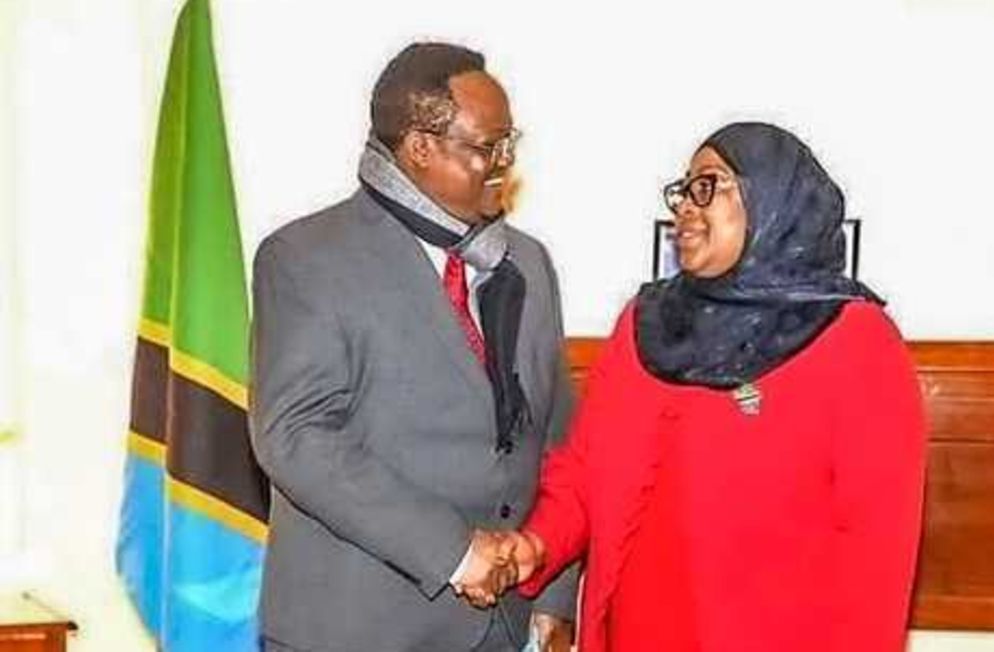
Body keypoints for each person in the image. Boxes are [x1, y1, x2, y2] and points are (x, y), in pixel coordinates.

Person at [505, 122, 927, 651]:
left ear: (771, 199)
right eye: (684, 190)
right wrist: (534, 545)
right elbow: (585, 475)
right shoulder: (644, 325)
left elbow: (877, 565)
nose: (685, 206)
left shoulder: (857, 343)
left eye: (708, 185)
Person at [249, 42, 576, 652]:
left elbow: (558, 441)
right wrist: (455, 552)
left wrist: (554, 590)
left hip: (505, 628)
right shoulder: (306, 258)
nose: (504, 162)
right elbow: (295, 436)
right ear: (419, 147)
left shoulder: (528, 263)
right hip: (356, 629)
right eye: (486, 147)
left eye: (511, 143)